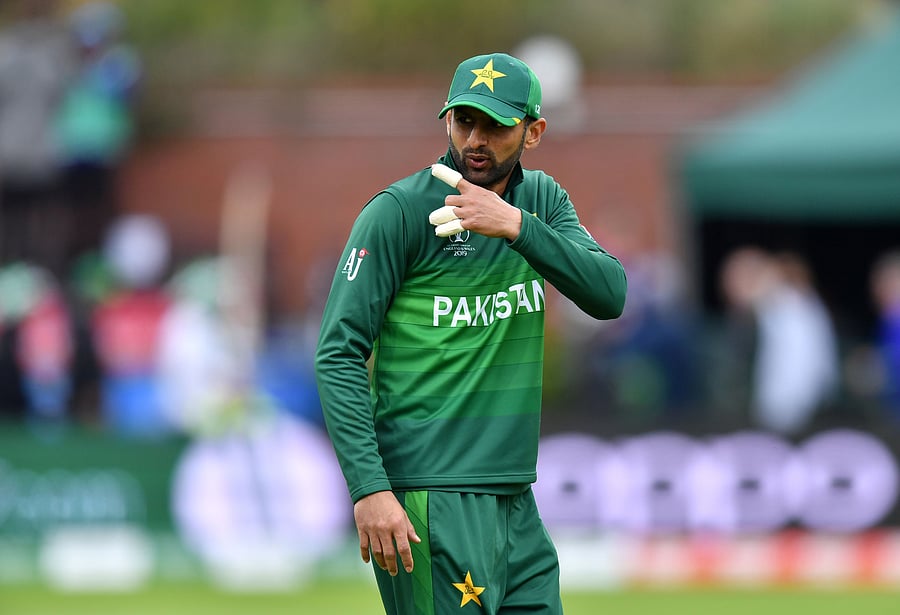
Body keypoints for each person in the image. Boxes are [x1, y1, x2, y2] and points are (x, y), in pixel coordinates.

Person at [315, 52, 627, 614]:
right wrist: (369, 488)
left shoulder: (541, 203)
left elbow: (610, 295)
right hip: (430, 496)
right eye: (464, 121)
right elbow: (338, 354)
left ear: (533, 132)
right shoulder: (399, 213)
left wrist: (515, 226)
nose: (476, 139)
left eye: (497, 126)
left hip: (514, 498)